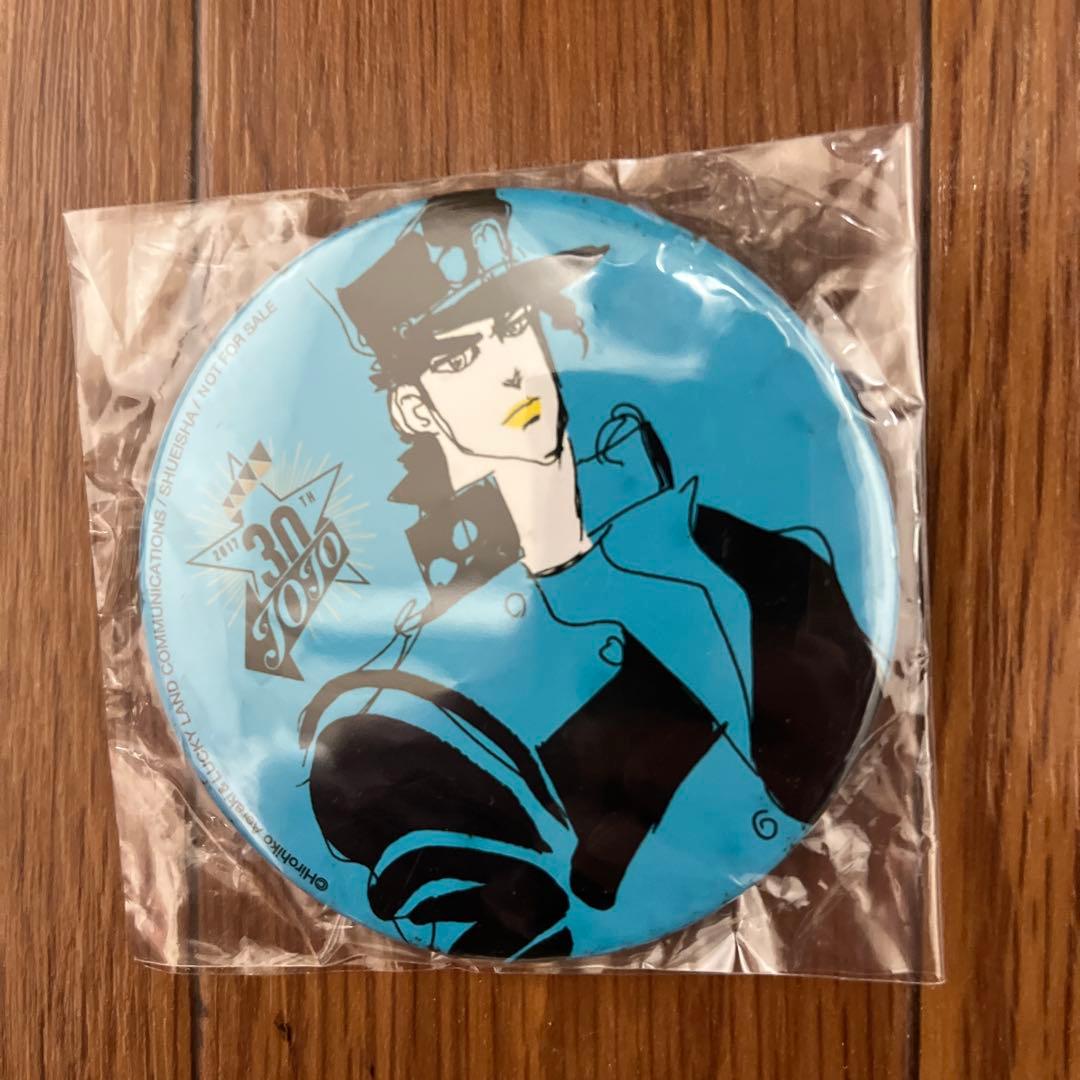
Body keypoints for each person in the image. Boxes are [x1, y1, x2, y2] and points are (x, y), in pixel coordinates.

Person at [299, 190, 879, 959]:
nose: (511, 372)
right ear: (415, 409)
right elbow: (516, 923)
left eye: (512, 327)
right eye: (460, 357)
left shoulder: (757, 558)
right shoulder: (407, 723)